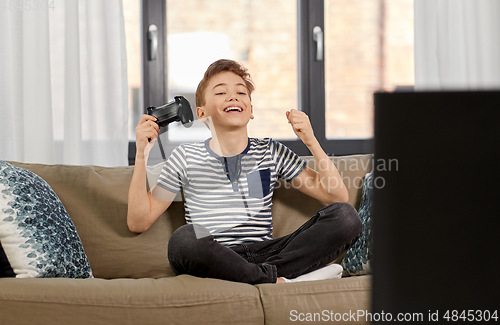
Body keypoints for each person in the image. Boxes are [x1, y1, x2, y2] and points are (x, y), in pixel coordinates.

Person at [127, 59, 362, 284]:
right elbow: (138, 221)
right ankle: (276, 280)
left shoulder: (270, 151)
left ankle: (259, 277)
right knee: (184, 239)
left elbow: (336, 197)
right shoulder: (184, 157)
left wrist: (311, 141)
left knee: (345, 217)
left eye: (241, 92)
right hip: (216, 255)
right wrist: (141, 154)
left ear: (250, 110)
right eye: (220, 92)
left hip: (269, 255)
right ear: (201, 114)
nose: (233, 96)